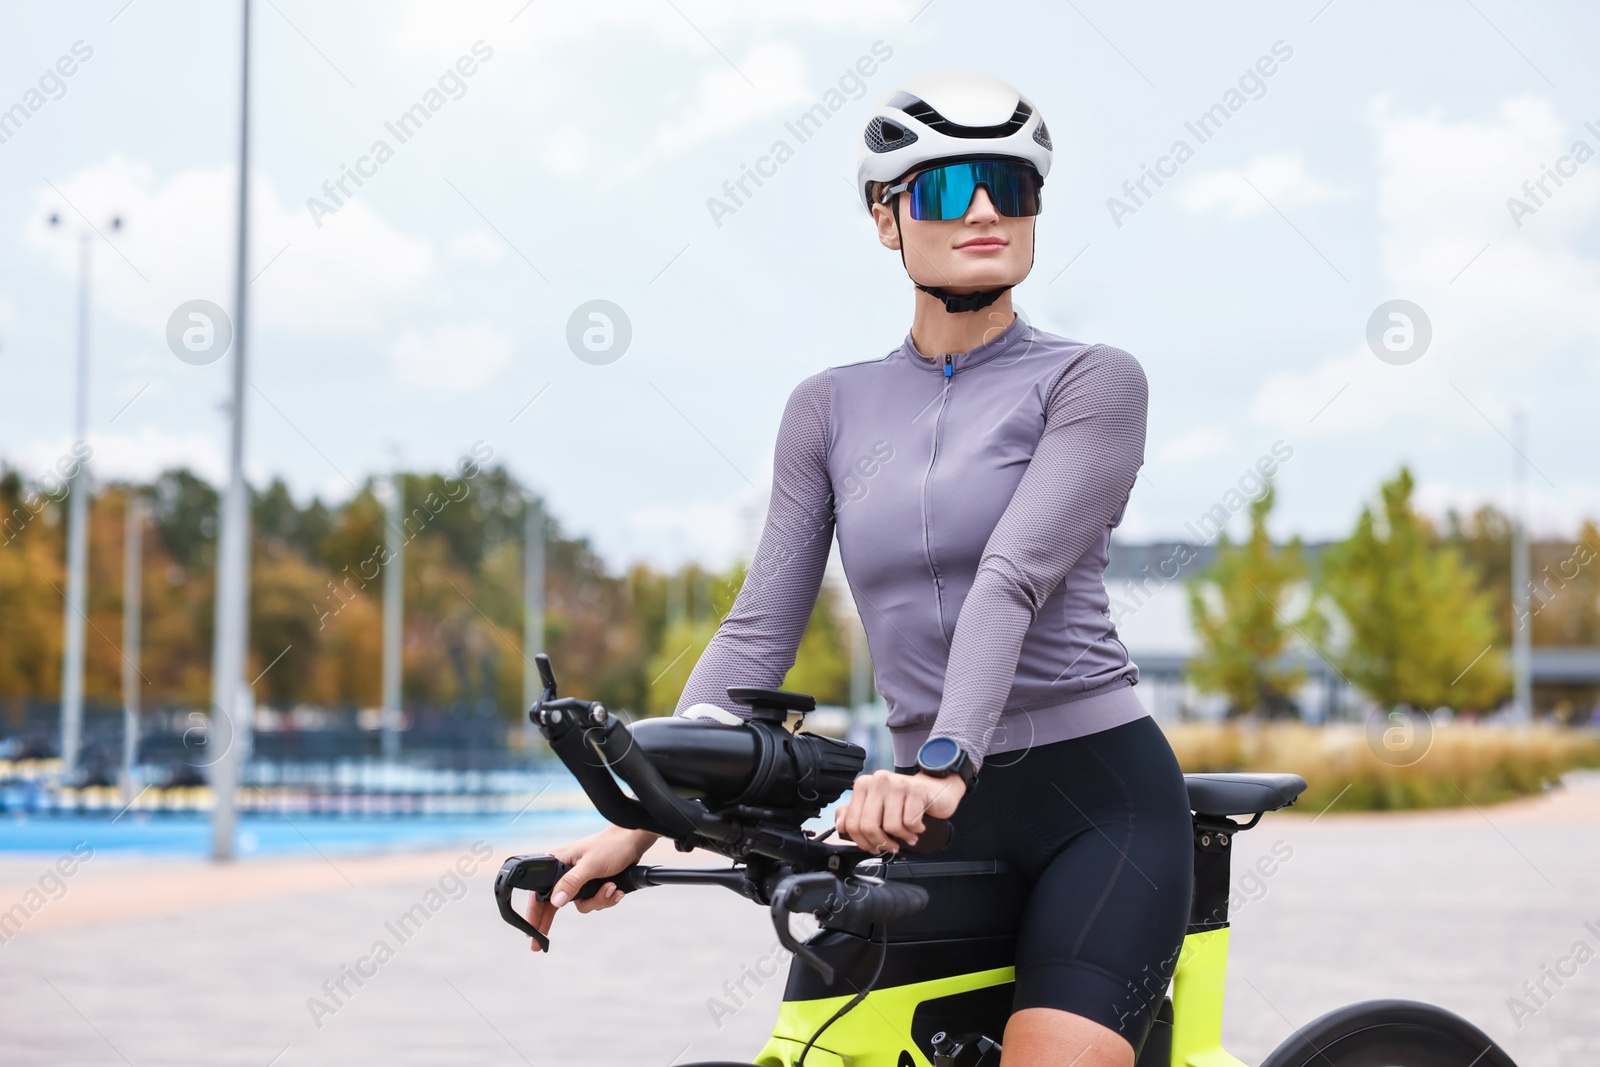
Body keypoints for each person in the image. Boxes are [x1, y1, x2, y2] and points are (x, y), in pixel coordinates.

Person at [527, 71, 1192, 1067]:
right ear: (887, 219)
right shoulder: (829, 407)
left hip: (1093, 804)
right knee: (820, 1047)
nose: (980, 209)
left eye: (1009, 185)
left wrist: (939, 764)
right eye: (943, 186)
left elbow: (1011, 574)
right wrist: (640, 811)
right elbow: (759, 626)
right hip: (925, 805)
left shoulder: (1091, 380)